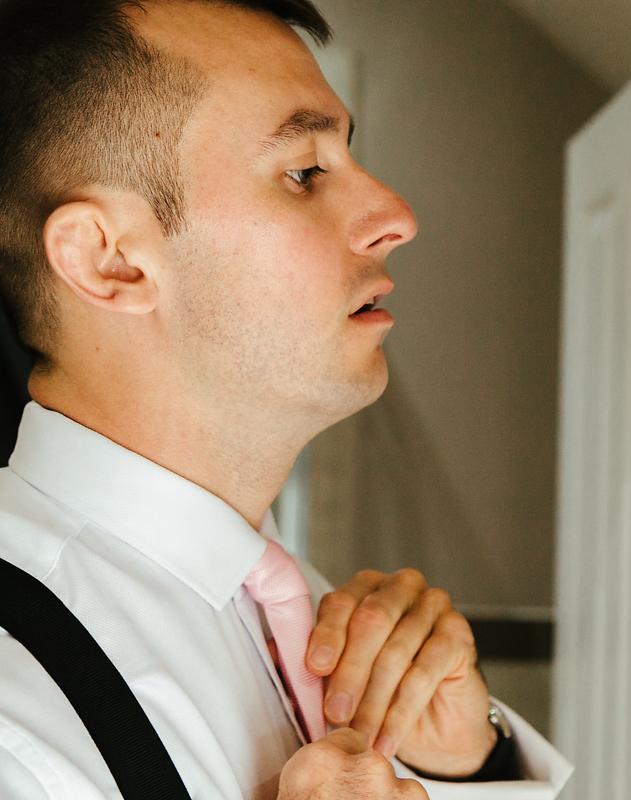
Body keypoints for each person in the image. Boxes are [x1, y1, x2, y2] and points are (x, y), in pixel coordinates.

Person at [0, 0, 572, 797]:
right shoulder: (16, 707)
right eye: (304, 173)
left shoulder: (296, 601)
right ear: (110, 262)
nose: (395, 217)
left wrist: (473, 762)